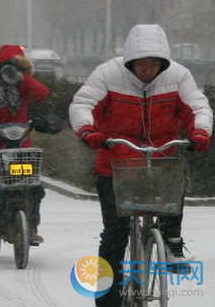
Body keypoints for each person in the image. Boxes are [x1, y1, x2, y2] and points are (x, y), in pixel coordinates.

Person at [69, 24, 213, 307]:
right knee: (115, 234)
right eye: (142, 63)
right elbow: (83, 103)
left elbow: (198, 107)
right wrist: (88, 130)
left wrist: (200, 132)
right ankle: (107, 300)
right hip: (115, 166)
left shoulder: (178, 77)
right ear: (130, 61)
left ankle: (172, 245)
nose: (147, 69)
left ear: (164, 62)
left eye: (154, 63)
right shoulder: (107, 76)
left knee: (173, 185)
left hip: (159, 162)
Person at [0, 44, 61, 244]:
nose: (9, 73)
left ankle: (31, 226)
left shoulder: (24, 84)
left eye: (14, 68)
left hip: (19, 145)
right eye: (6, 68)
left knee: (32, 184)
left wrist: (23, 79)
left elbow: (41, 94)